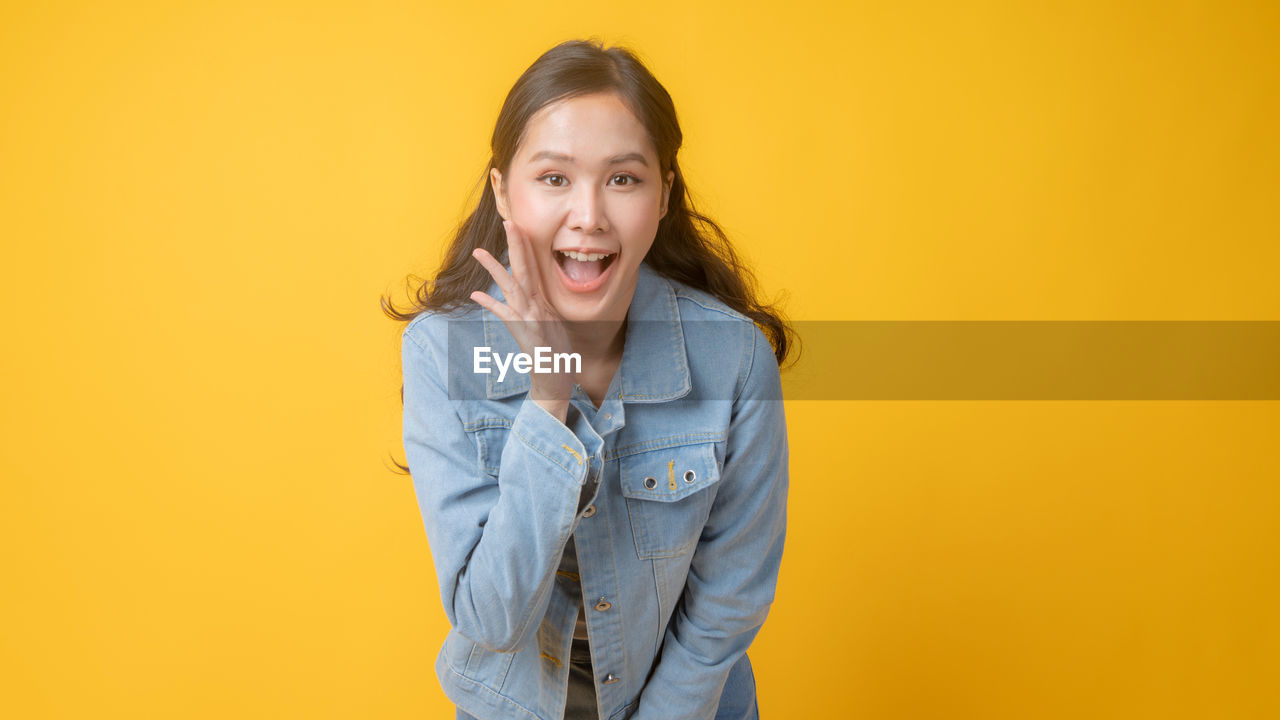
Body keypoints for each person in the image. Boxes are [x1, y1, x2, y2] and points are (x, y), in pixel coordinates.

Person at [385, 38, 794, 720]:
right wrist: (549, 396)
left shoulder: (734, 360)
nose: (589, 215)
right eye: (553, 179)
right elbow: (489, 618)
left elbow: (730, 598)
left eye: (623, 179)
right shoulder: (442, 353)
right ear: (503, 192)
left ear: (663, 194)